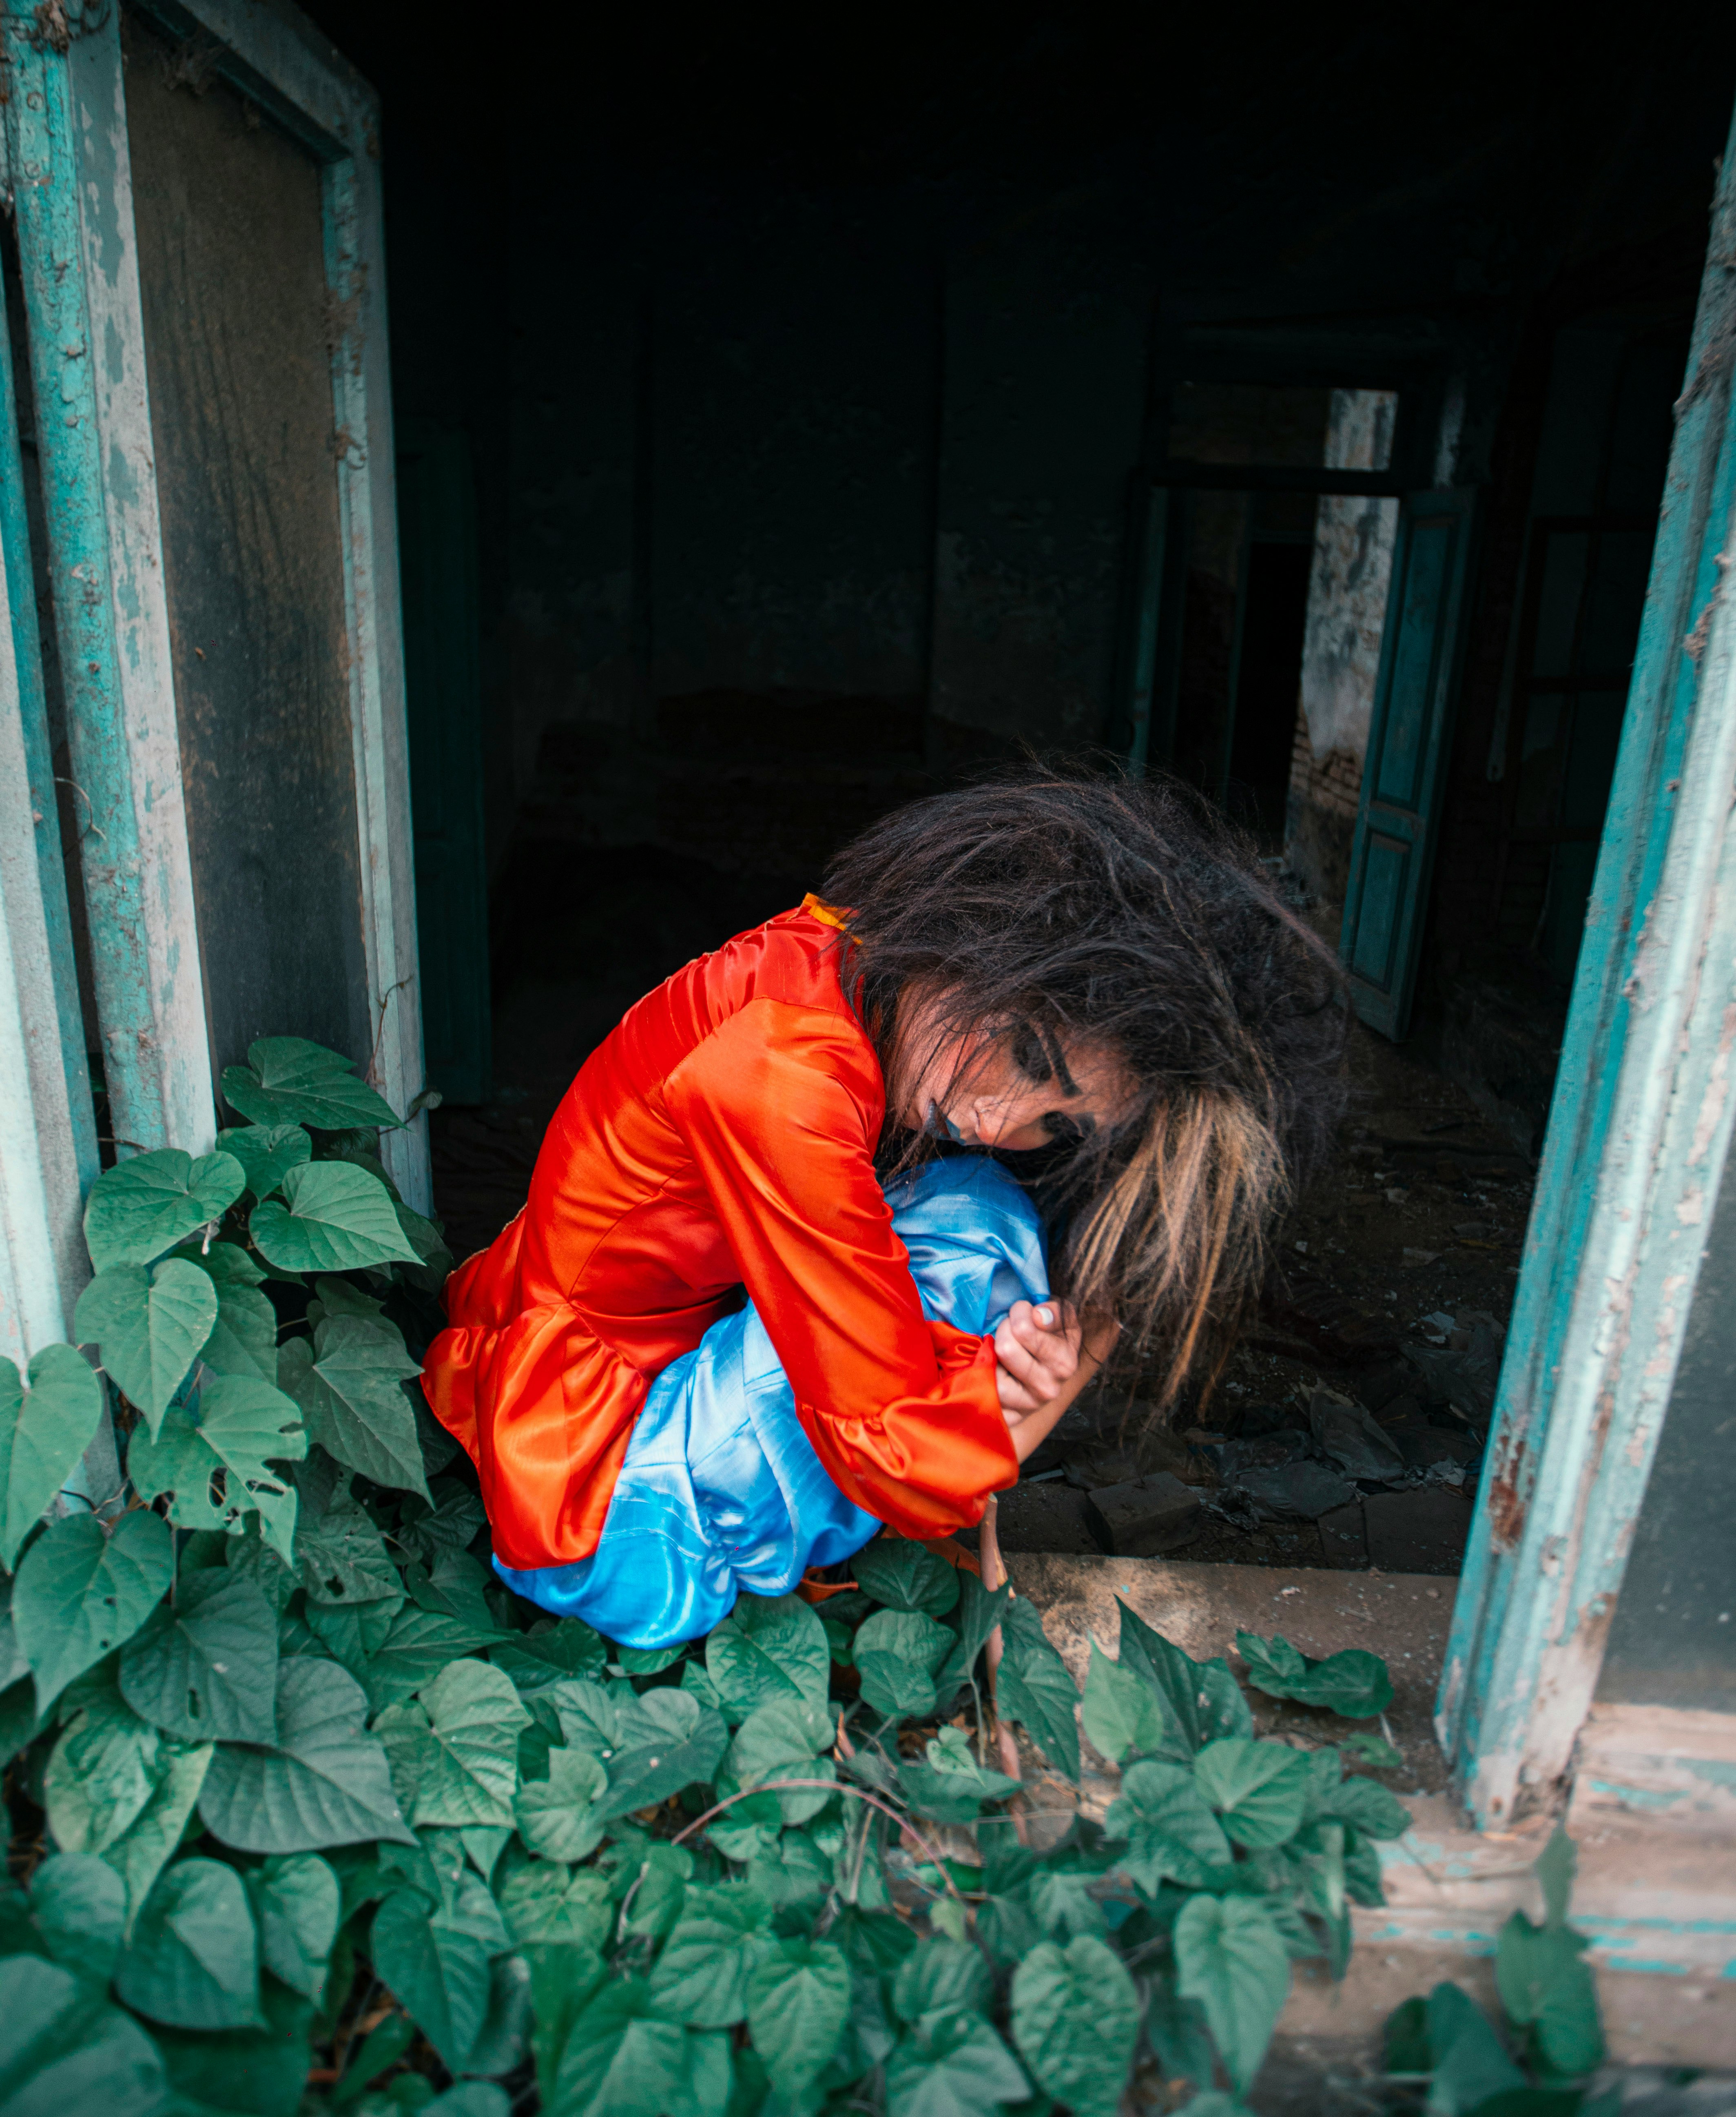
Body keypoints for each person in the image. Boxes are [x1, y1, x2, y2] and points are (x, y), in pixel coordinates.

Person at [421, 767, 1346, 1636]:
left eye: (1060, 1126)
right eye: (1027, 1054)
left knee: (976, 1203)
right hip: (599, 1496)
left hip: (630, 1359)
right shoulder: (784, 1078)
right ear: (973, 942)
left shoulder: (846, 951)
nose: (1000, 1118)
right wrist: (1049, 1379)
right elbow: (897, 1455)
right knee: (973, 1239)